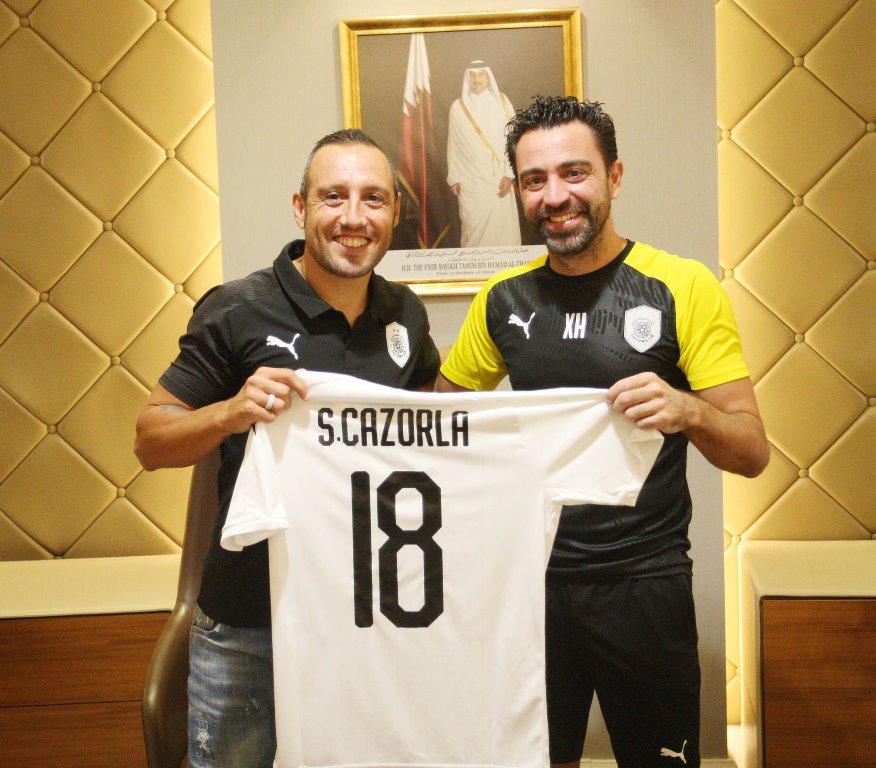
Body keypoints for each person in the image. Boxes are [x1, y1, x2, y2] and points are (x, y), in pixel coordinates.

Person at [436, 96, 769, 768]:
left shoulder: (682, 286)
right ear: (519, 191)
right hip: (525, 586)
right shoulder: (502, 300)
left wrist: (689, 410)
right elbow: (438, 427)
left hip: (644, 585)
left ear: (614, 176)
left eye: (574, 173)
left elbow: (752, 451)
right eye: (535, 180)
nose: (555, 196)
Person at [134, 128, 440, 768]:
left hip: (369, 620)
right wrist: (228, 412)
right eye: (334, 197)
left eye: (374, 199)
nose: (354, 218)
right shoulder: (238, 309)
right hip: (249, 624)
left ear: (394, 214)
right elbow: (151, 439)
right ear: (301, 209)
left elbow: (429, 440)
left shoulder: (406, 314)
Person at [446, 61, 521, 247]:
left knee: (502, 230)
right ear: (467, 78)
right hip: (470, 183)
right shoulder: (458, 107)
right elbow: (453, 145)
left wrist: (509, 174)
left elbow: (513, 139)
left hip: (498, 179)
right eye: (472, 75)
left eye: (481, 74)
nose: (477, 79)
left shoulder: (502, 102)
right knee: (472, 233)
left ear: (488, 77)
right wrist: (454, 176)